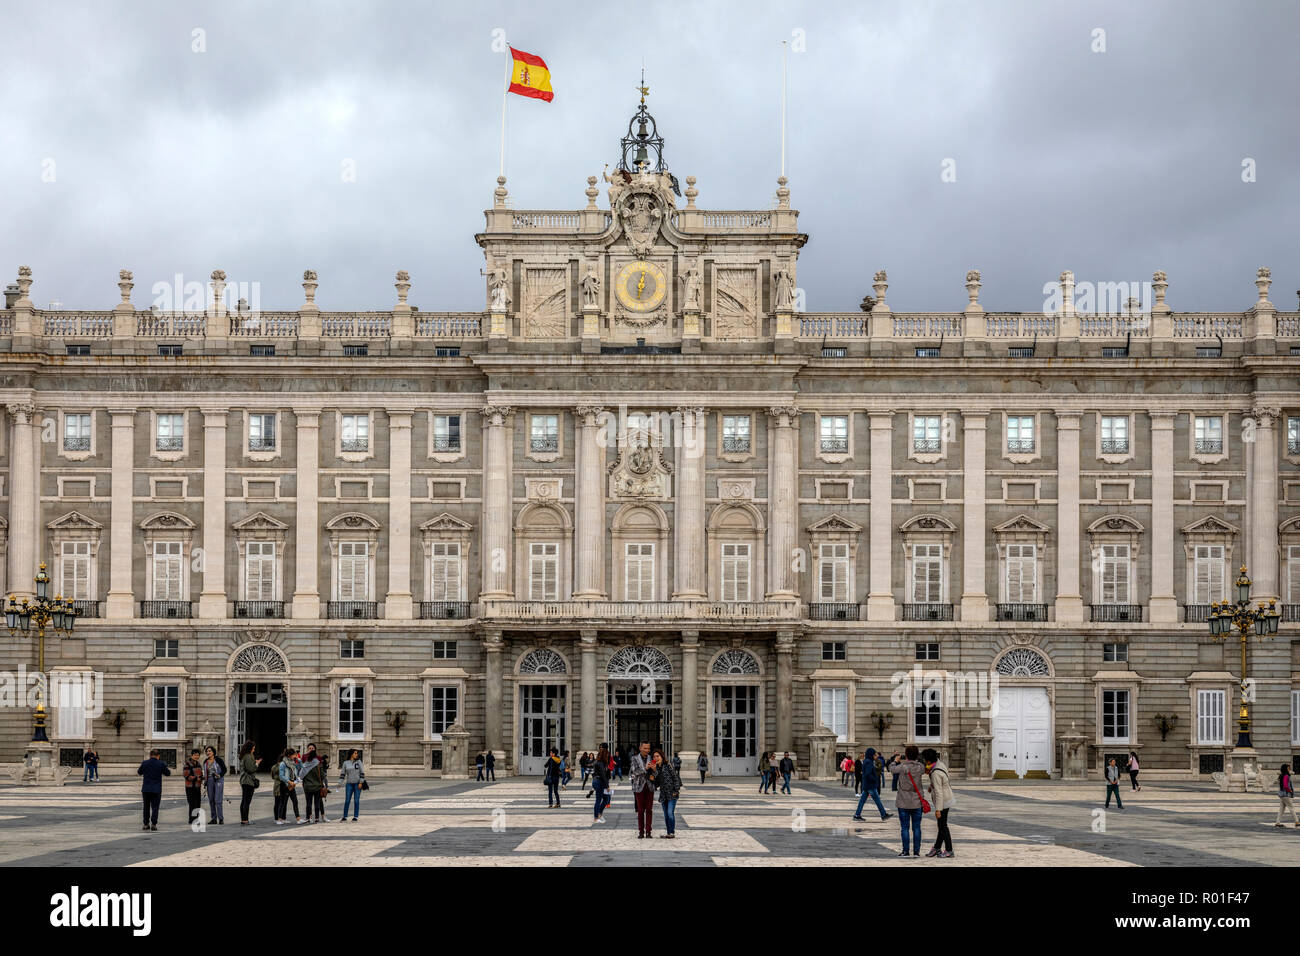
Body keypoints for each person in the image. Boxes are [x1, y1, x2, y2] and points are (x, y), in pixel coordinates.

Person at [888, 746, 925, 857]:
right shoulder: (920, 767)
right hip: (917, 801)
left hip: (903, 800)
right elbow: (923, 767)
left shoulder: (902, 767)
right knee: (917, 827)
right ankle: (917, 851)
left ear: (906, 755)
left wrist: (895, 760)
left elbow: (891, 768)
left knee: (905, 827)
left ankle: (905, 851)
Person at [921, 747, 955, 858]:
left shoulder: (935, 773)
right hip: (947, 797)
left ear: (929, 761)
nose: (924, 762)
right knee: (941, 825)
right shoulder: (940, 764)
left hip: (943, 801)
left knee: (943, 826)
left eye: (925, 760)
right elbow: (943, 780)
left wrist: (938, 809)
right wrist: (932, 786)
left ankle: (949, 850)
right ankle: (937, 848)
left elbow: (939, 792)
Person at [853, 747, 892, 822]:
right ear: (871, 755)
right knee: (877, 800)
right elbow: (867, 774)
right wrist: (874, 779)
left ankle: (857, 815)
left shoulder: (867, 761)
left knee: (862, 801)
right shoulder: (868, 762)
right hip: (870, 785)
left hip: (867, 785)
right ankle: (883, 814)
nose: (875, 756)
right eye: (874, 754)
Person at [137, 748, 171, 831]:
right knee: (155, 807)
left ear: (150, 755)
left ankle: (145, 824)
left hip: (146, 789)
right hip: (156, 789)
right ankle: (154, 824)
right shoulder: (161, 763)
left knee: (146, 807)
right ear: (158, 756)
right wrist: (165, 766)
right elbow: (168, 773)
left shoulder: (145, 763)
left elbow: (139, 772)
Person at [630, 741, 656, 837]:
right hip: (638, 786)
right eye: (645, 748)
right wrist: (645, 768)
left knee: (649, 809)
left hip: (650, 786)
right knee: (640, 810)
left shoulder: (652, 758)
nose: (647, 750)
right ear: (640, 748)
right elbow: (634, 771)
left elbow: (656, 773)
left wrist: (654, 769)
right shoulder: (634, 758)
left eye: (648, 748)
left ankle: (648, 831)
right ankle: (641, 832)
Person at [654, 750, 681, 838]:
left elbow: (675, 778)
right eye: (654, 757)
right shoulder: (656, 769)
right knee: (666, 815)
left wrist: (676, 791)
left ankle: (672, 832)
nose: (656, 758)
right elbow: (656, 783)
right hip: (663, 794)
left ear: (662, 757)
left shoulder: (668, 765)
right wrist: (653, 771)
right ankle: (668, 832)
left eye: (658, 756)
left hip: (672, 793)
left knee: (670, 813)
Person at [300, 746, 328, 822]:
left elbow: (301, 776)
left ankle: (309, 817)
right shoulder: (318, 764)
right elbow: (322, 776)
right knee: (317, 802)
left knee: (308, 803)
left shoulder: (305, 765)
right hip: (317, 786)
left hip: (307, 787)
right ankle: (317, 818)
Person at [238, 740, 261, 825]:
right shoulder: (248, 756)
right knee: (246, 801)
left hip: (245, 780)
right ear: (250, 748)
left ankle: (244, 819)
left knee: (244, 800)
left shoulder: (245, 756)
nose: (254, 750)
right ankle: (245, 820)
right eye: (253, 748)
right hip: (248, 781)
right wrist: (257, 764)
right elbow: (251, 769)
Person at [202, 745, 226, 824]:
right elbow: (205, 772)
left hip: (218, 780)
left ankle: (221, 818)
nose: (208, 752)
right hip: (209, 781)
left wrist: (219, 775)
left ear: (213, 752)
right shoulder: (205, 761)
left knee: (217, 800)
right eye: (207, 751)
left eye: (210, 751)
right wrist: (204, 780)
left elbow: (224, 770)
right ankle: (214, 818)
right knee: (211, 800)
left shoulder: (218, 760)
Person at [182, 749, 204, 825]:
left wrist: (201, 777)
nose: (196, 756)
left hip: (197, 786)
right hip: (190, 787)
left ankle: (196, 819)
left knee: (198, 803)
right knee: (192, 803)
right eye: (195, 755)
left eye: (198, 755)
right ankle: (191, 819)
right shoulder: (187, 764)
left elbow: (200, 773)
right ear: (191, 755)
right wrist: (195, 778)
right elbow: (186, 775)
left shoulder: (198, 764)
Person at [340, 749, 364, 821]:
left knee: (356, 800)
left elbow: (362, 773)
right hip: (349, 784)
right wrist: (339, 783)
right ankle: (345, 816)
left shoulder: (359, 762)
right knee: (347, 800)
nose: (357, 754)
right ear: (351, 754)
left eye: (357, 753)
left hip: (357, 784)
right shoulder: (345, 763)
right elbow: (342, 774)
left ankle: (355, 816)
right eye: (355, 753)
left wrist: (361, 782)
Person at [1276, 763, 1298, 828]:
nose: (1289, 769)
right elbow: (1285, 786)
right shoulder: (1286, 776)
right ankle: (1297, 821)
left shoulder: (1282, 775)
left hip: (1282, 795)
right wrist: (1290, 791)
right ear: (1285, 769)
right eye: (1288, 768)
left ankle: (1278, 822)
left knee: (1281, 809)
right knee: (1291, 808)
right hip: (1286, 795)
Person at [272, 749, 289, 824]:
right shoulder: (283, 766)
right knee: (283, 802)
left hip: (276, 785)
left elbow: (272, 776)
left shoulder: (274, 767)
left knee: (277, 802)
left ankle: (276, 817)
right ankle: (282, 817)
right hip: (282, 785)